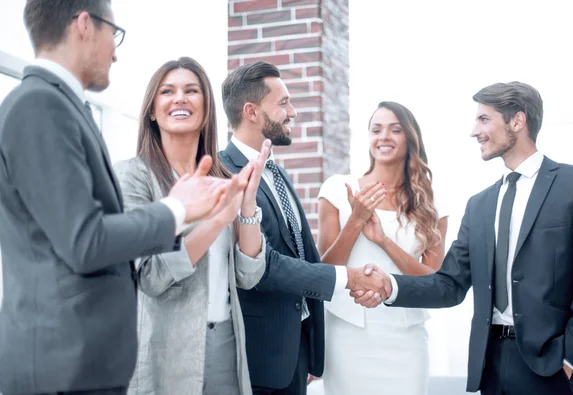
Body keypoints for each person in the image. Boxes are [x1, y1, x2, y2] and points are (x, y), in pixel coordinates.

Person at [0, 2, 241, 394]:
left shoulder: (61, 106)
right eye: (114, 33)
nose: (115, 51)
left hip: (80, 365)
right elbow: (85, 241)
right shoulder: (40, 105)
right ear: (84, 25)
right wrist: (176, 210)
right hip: (60, 368)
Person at [355, 82, 573, 395]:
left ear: (517, 121)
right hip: (490, 367)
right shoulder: (479, 205)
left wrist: (570, 358)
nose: (475, 131)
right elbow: (449, 284)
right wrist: (390, 285)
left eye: (484, 119)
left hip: (549, 367)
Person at [220, 60, 390, 395]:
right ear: (251, 112)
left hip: (295, 352)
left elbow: (304, 255)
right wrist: (351, 278)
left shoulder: (277, 174)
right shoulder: (224, 174)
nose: (292, 112)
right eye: (283, 103)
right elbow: (264, 267)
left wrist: (310, 346)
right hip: (257, 360)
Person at [114, 57, 267, 395]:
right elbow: (150, 277)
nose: (180, 98)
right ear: (152, 111)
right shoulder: (133, 177)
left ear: (207, 108)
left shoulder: (224, 180)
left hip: (225, 344)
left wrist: (247, 205)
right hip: (161, 348)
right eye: (167, 91)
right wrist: (216, 221)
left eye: (191, 90)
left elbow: (248, 274)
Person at [317, 101, 448, 395]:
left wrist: (383, 241)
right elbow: (323, 271)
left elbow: (435, 283)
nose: (384, 136)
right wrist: (357, 219)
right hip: (347, 334)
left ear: (410, 138)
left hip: (406, 337)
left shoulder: (431, 203)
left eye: (395, 129)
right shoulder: (338, 188)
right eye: (376, 129)